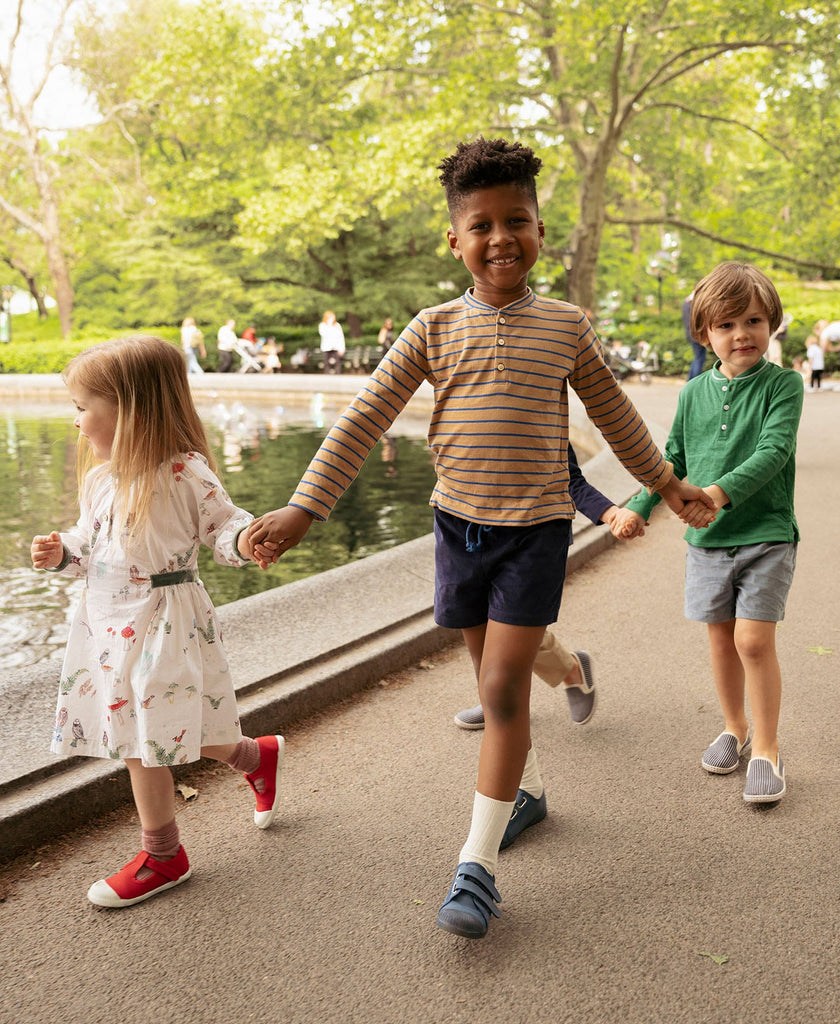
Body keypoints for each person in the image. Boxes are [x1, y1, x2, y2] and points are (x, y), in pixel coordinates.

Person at [245, 137, 713, 941]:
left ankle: (476, 868)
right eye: (483, 225)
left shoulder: (566, 326)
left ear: (540, 230)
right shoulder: (430, 329)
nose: (502, 238)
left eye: (518, 221)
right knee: (501, 679)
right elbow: (364, 419)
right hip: (456, 532)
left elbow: (616, 419)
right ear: (454, 241)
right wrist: (302, 508)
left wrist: (667, 486)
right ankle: (526, 786)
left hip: (533, 533)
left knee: (499, 692)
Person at [30, 335, 284, 909]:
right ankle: (253, 756)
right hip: (107, 626)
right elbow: (93, 545)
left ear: (129, 409)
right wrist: (63, 552)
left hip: (164, 624)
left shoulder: (184, 473)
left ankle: (164, 855)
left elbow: (225, 526)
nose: (75, 422)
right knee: (161, 728)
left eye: (81, 407)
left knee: (144, 743)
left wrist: (249, 539)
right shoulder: (101, 480)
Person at [627, 262, 803, 806]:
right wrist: (640, 505)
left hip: (766, 532)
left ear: (771, 323)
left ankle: (768, 749)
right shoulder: (693, 392)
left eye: (752, 320)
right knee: (721, 640)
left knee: (753, 640)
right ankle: (735, 728)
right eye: (725, 325)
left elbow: (774, 452)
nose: (741, 334)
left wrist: (715, 496)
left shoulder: (784, 385)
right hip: (707, 542)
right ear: (705, 334)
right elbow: (672, 457)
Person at [453, 442, 646, 746]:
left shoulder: (543, 413)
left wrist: (610, 514)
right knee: (483, 621)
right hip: (468, 534)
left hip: (532, 536)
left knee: (513, 623)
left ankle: (508, 696)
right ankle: (503, 694)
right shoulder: (461, 406)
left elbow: (569, 479)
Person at [683, 291, 706, 379]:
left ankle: (691, 379)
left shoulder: (685, 303)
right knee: (700, 358)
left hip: (690, 334)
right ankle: (694, 379)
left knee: (697, 357)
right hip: (696, 334)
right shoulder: (693, 304)